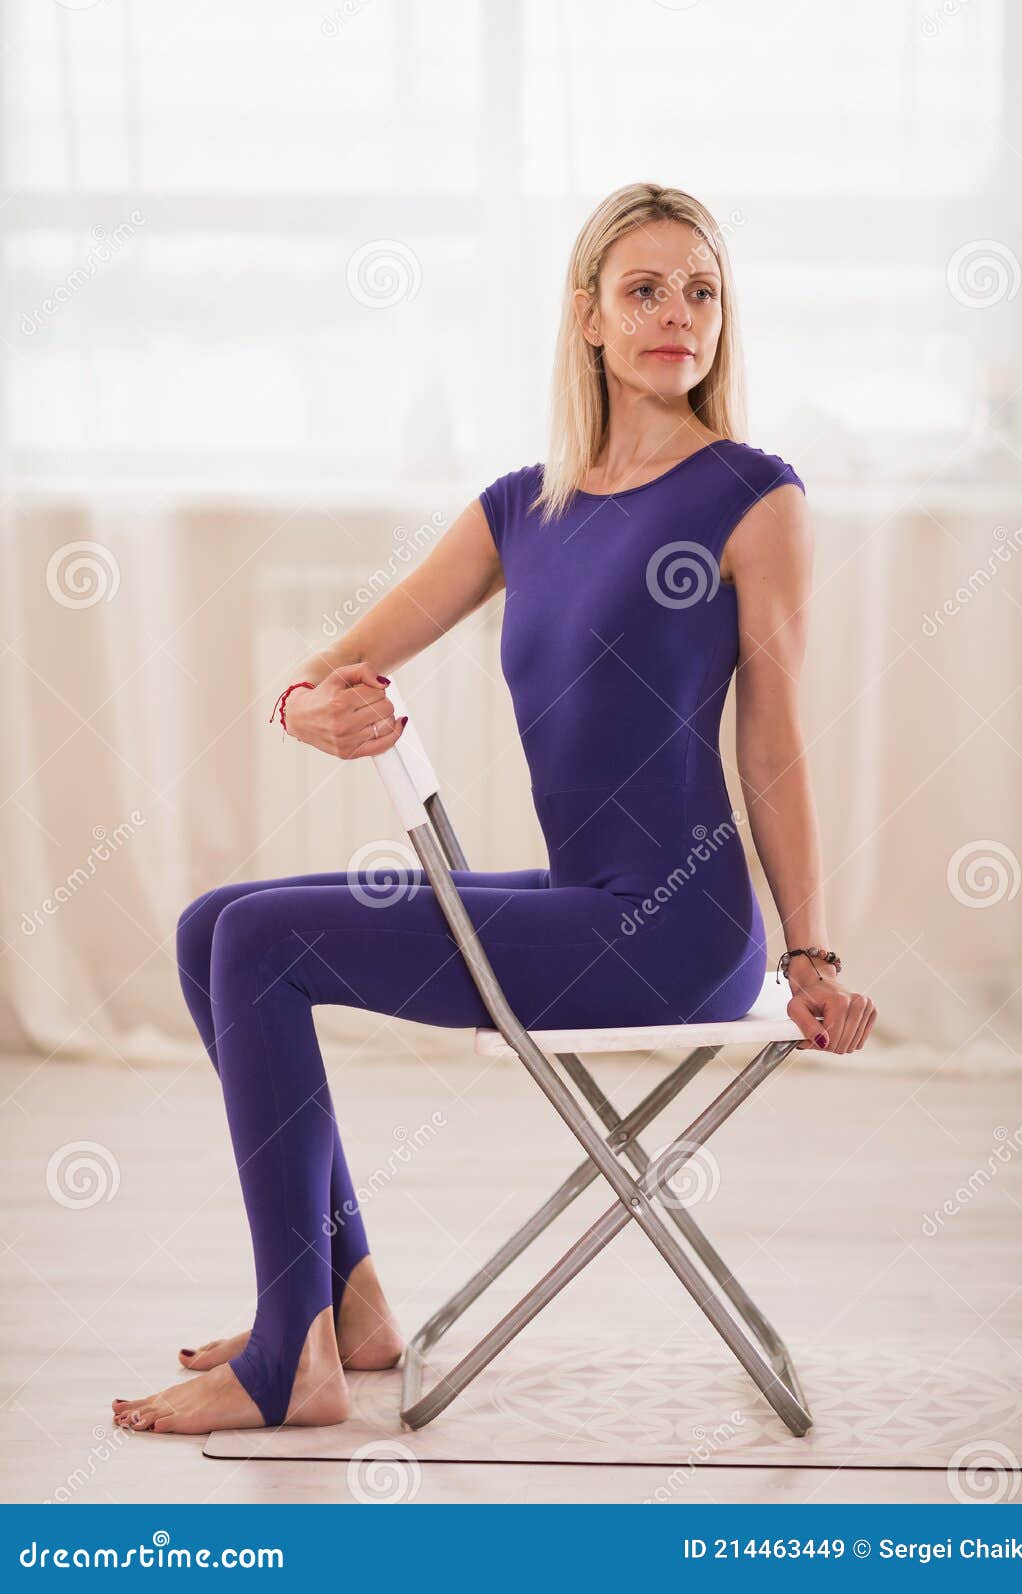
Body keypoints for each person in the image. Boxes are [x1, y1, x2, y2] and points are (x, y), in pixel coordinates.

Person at [112, 181, 876, 1436]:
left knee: (255, 944)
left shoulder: (753, 495)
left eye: (700, 289)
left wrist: (808, 952)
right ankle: (343, 1303)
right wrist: (305, 708)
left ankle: (287, 1362)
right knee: (213, 922)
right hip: (582, 899)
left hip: (674, 931)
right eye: (642, 289)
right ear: (586, 315)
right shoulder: (523, 506)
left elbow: (775, 742)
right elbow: (333, 663)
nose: (675, 313)